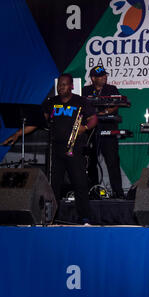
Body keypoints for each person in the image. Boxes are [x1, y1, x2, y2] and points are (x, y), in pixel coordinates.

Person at [2, 74, 98, 224]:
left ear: (71, 86)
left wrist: (84, 127)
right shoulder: (51, 103)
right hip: (55, 149)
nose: (61, 87)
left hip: (74, 148)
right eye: (59, 85)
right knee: (53, 185)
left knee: (80, 183)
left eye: (64, 84)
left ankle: (84, 217)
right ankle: (51, 216)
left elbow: (93, 118)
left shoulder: (80, 101)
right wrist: (17, 134)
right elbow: (37, 122)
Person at [83, 66, 125, 198]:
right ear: (93, 78)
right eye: (101, 76)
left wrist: (103, 113)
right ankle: (93, 192)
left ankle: (118, 193)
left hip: (108, 128)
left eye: (105, 75)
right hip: (91, 131)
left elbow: (116, 105)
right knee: (91, 163)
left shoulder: (111, 89)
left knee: (112, 162)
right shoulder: (86, 91)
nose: (104, 77)